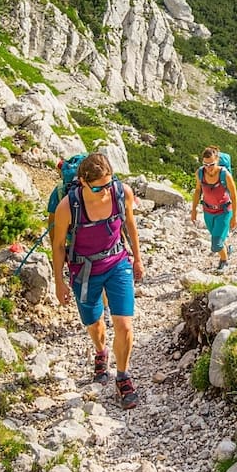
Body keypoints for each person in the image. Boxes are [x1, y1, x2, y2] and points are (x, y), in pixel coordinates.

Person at [51, 150, 144, 407]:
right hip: (84, 271)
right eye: (98, 188)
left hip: (117, 263)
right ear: (83, 182)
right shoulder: (67, 207)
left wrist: (137, 258)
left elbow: (130, 224)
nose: (105, 191)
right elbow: (58, 245)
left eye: (108, 184)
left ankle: (123, 377)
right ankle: (101, 353)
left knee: (125, 326)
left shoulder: (120, 192)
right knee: (95, 324)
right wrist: (59, 280)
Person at [190, 145, 237, 269]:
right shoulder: (200, 173)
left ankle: (224, 261)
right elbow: (197, 191)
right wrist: (194, 210)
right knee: (216, 236)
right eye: (205, 164)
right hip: (208, 212)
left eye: (211, 164)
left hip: (223, 211)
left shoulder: (225, 175)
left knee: (216, 244)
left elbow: (234, 196)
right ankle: (227, 248)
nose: (208, 168)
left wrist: (234, 217)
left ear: (217, 160)